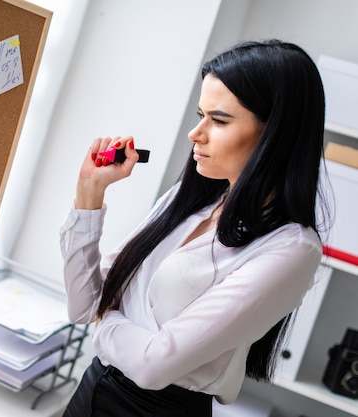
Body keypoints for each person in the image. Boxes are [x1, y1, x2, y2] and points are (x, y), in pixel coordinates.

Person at [59, 39, 327, 417]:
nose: (196, 133)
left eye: (218, 120)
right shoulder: (187, 202)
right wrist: (90, 193)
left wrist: (107, 322)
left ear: (275, 134)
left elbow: (153, 366)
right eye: (200, 114)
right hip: (92, 389)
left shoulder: (292, 249)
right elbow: (84, 304)